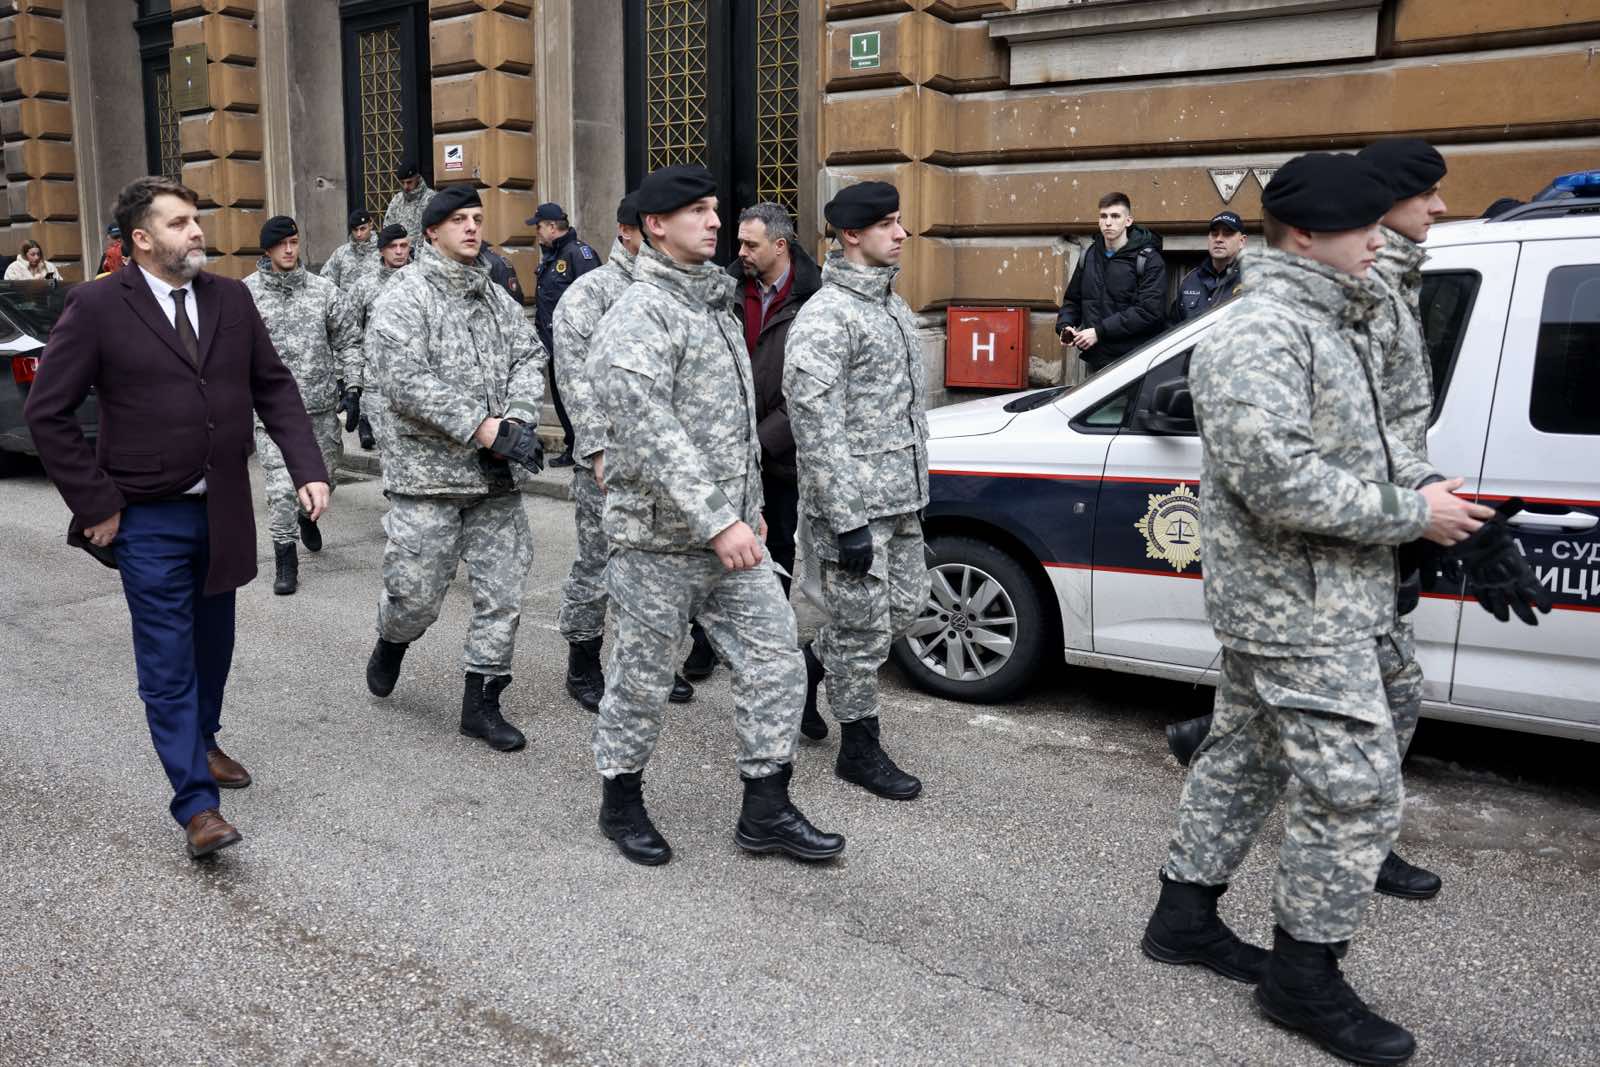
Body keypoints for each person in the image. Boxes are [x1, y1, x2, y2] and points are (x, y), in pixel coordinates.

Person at [1138, 152, 1495, 1067]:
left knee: (1243, 760)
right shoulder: (1262, 333)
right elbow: (1276, 481)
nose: (1382, 237)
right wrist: (1414, 514)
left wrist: (1447, 506)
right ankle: (1303, 979)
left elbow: (1370, 450)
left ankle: (1183, 916)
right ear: (1304, 235)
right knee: (1356, 789)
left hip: (1323, 594)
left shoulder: (1337, 320)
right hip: (1293, 605)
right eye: (1363, 225)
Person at [23, 175, 330, 859]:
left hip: (221, 507)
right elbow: (48, 411)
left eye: (197, 219)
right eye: (180, 223)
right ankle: (196, 803)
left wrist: (308, 467)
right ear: (141, 239)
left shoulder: (230, 298)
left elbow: (273, 385)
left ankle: (204, 738)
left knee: (213, 645)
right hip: (147, 518)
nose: (197, 232)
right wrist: (97, 503)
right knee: (167, 659)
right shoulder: (97, 305)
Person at [586, 163, 843, 867]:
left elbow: (735, 427)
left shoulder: (714, 306)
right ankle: (621, 801)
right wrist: (717, 519)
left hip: (731, 536)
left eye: (714, 209)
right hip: (656, 544)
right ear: (654, 226)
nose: (715, 222)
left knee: (776, 661)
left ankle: (766, 808)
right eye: (697, 211)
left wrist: (750, 511)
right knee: (641, 680)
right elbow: (652, 432)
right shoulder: (637, 316)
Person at [363, 185, 547, 754]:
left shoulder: (494, 296)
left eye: (476, 218)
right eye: (458, 220)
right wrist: (482, 426)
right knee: (416, 597)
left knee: (503, 594)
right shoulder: (404, 296)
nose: (471, 228)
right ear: (431, 233)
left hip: (494, 482)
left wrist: (515, 421)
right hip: (429, 480)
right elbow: (403, 379)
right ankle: (393, 639)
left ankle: (483, 702)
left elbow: (529, 354)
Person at [783, 181, 928, 794]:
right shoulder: (826, 317)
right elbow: (815, 428)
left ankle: (812, 667)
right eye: (888, 224)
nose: (901, 233)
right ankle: (859, 749)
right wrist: (846, 520)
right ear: (851, 235)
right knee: (865, 631)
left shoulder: (894, 307)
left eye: (900, 222)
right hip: (853, 509)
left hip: (901, 498)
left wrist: (920, 486)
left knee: (909, 606)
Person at [551, 192, 695, 713]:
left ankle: (657, 661)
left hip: (668, 461)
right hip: (609, 463)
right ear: (629, 232)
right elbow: (573, 380)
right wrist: (595, 451)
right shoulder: (590, 294)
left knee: (661, 570)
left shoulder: (680, 292)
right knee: (599, 563)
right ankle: (583, 660)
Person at [242, 216, 360, 595]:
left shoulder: (324, 291)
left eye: (294, 242)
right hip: (272, 416)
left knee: (328, 478)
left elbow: (348, 340)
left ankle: (305, 515)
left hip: (321, 408)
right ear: (268, 249)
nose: (289, 250)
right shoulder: (247, 295)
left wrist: (354, 385)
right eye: (281, 244)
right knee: (279, 489)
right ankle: (285, 560)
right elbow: (231, 352)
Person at [1056, 191, 1168, 374]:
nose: (1108, 222)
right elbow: (1073, 300)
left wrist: (1099, 332)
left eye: (1115, 216)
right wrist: (1065, 325)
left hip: (1133, 361)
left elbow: (1149, 311)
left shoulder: (1148, 259)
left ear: (1128, 221)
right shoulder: (1089, 255)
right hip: (1096, 361)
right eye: (1103, 216)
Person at [531, 202, 600, 467]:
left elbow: (594, 299)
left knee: (579, 400)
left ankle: (587, 449)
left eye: (538, 226)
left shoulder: (578, 254)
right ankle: (573, 446)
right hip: (554, 345)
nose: (536, 232)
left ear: (551, 227)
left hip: (577, 347)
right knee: (562, 399)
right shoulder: (552, 256)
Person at [342, 223, 411, 452]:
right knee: (388, 451)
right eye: (393, 246)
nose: (400, 251)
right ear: (381, 250)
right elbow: (348, 333)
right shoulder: (365, 286)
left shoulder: (422, 281)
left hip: (415, 380)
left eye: (404, 245)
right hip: (376, 384)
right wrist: (350, 383)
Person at [1169, 211, 1245, 323]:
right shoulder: (1191, 279)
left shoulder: (1254, 281)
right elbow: (1172, 328)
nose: (1219, 239)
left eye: (1227, 234)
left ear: (1242, 241)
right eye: (1214, 233)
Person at [319, 209, 379, 289]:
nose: (359, 234)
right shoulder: (341, 253)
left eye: (363, 229)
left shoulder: (383, 251)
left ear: (371, 225)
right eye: (355, 230)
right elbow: (325, 281)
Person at [383, 159, 436, 249]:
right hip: (401, 254)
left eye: (409, 182)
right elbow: (388, 229)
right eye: (402, 183)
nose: (405, 186)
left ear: (417, 178)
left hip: (424, 256)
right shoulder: (397, 200)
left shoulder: (431, 198)